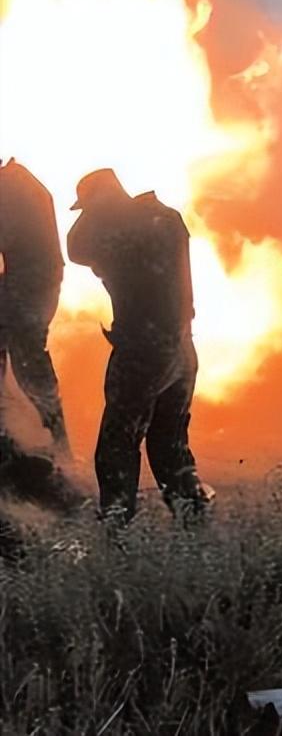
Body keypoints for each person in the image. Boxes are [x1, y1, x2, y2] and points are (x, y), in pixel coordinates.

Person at [65, 168, 208, 523]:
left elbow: (75, 246)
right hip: (182, 349)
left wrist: (99, 209)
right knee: (169, 446)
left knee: (116, 446)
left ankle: (117, 532)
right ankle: (195, 521)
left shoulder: (115, 229)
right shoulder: (166, 219)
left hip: (142, 353)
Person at [0, 158, 69, 455]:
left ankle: (59, 445)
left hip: (28, 288)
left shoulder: (11, 189)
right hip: (33, 284)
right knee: (27, 362)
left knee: (30, 366)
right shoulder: (21, 182)